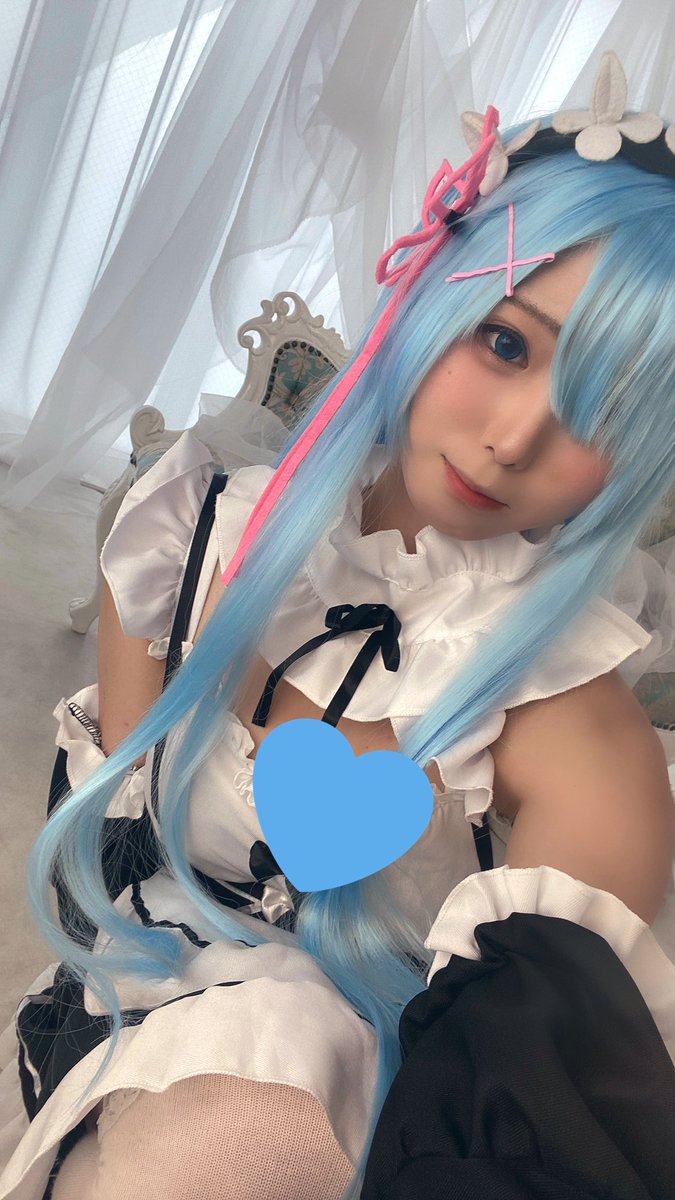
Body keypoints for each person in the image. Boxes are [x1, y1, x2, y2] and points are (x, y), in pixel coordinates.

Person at [1, 51, 674, 1200]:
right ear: (434, 294)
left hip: (349, 1113)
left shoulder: (577, 729)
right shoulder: (190, 531)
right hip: (120, 1019)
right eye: (504, 343)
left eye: (598, 414)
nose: (514, 437)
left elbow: (527, 1113)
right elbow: (112, 840)